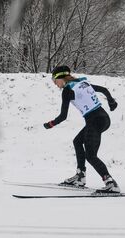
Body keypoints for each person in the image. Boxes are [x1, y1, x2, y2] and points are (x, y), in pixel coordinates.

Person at [43, 65, 120, 193]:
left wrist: (50, 124)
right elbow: (104, 90)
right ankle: (80, 176)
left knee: (91, 156)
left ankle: (110, 183)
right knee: (77, 141)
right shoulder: (82, 83)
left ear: (60, 78)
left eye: (54, 81)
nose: (55, 84)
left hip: (94, 121)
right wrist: (112, 102)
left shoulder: (67, 90)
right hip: (103, 118)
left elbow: (63, 116)